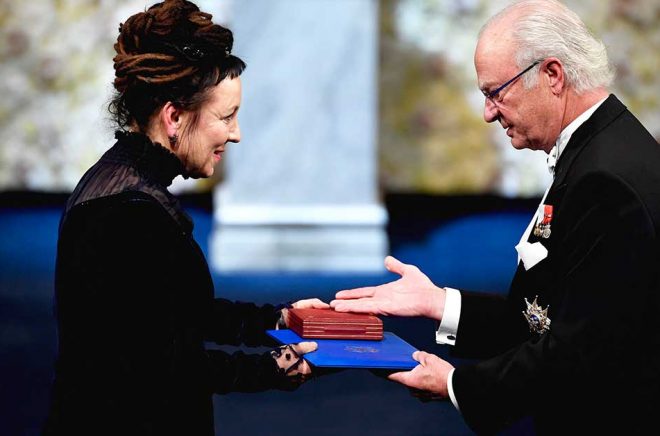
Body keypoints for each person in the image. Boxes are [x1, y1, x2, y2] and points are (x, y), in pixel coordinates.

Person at [331, 0, 660, 434]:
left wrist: (454, 384)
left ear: (552, 75)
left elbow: (577, 351)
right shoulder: (600, 149)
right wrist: (438, 303)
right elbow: (543, 316)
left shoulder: (605, 180)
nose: (488, 113)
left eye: (494, 92)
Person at [43, 1, 329, 435]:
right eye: (226, 116)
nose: (236, 133)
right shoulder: (126, 214)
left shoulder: (123, 186)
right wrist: (275, 368)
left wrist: (279, 322)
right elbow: (156, 366)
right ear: (174, 117)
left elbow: (173, 313)